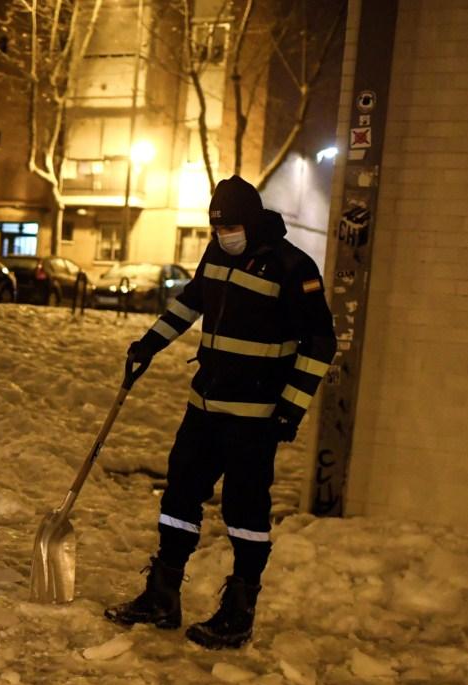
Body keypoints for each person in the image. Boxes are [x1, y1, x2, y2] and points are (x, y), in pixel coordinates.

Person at [104, 175, 337, 649]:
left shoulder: (293, 269)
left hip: (256, 416)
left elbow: (320, 343)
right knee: (179, 500)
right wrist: (149, 345)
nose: (222, 235)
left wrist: (290, 410)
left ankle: (239, 610)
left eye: (229, 227)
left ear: (251, 223)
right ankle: (163, 595)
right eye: (216, 228)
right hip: (204, 406)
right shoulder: (215, 255)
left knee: (244, 512)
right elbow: (191, 304)